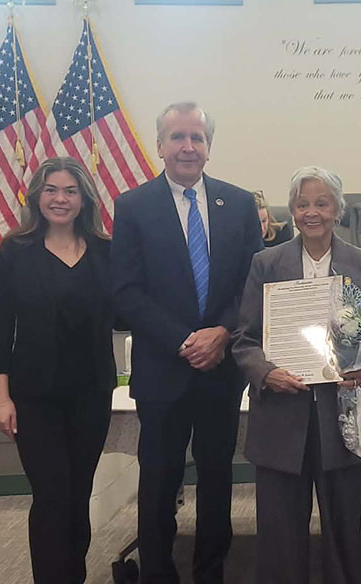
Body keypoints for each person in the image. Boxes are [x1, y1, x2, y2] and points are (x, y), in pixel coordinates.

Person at [112, 102, 264, 584]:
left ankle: (210, 573)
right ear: (160, 145)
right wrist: (184, 340)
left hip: (221, 366)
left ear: (208, 146)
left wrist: (221, 333)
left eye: (197, 138)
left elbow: (251, 281)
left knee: (218, 479)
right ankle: (159, 573)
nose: (187, 147)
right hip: (163, 369)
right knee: (158, 481)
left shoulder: (237, 204)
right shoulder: (132, 206)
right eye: (177, 137)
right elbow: (127, 292)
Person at [233, 166, 361, 584]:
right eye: (302, 204)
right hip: (281, 418)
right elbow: (244, 341)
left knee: (344, 534)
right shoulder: (266, 263)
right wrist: (267, 373)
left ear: (338, 209)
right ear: (293, 210)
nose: (312, 212)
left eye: (322, 203)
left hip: (342, 419)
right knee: (280, 536)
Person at [0, 157, 117, 583]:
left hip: (92, 393)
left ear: (84, 200)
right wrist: (1, 398)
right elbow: (0, 328)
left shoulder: (105, 250)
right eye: (51, 190)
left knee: (78, 496)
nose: (60, 199)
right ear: (36, 196)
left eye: (70, 191)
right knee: (51, 495)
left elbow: (128, 311)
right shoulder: (15, 251)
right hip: (35, 396)